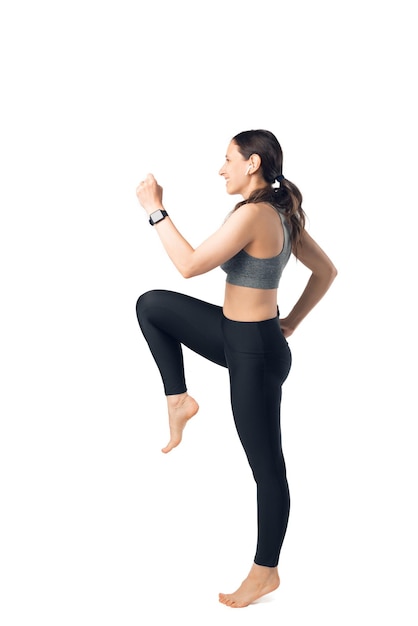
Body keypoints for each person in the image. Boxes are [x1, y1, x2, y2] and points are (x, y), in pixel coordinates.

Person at [135, 129, 337, 608]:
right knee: (152, 306)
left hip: (256, 355)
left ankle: (265, 572)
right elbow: (326, 271)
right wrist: (289, 323)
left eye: (227, 159)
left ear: (252, 164)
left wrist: (154, 209)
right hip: (238, 334)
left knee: (267, 469)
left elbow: (188, 265)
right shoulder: (280, 211)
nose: (220, 168)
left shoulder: (257, 214)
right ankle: (179, 399)